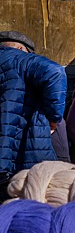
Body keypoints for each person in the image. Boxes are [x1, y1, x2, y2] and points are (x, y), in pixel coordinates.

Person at [0, 31, 67, 177]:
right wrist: (54, 118)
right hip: (22, 151)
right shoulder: (19, 59)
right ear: (21, 49)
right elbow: (55, 71)